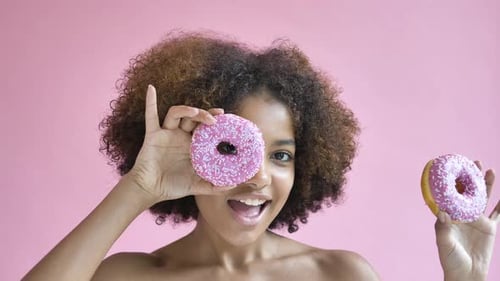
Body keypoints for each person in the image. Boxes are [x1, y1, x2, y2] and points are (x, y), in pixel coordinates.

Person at [23, 32, 499, 281]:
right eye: (234, 149)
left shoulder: (340, 275)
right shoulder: (125, 276)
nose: (258, 177)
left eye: (282, 156)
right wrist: (138, 189)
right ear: (194, 153)